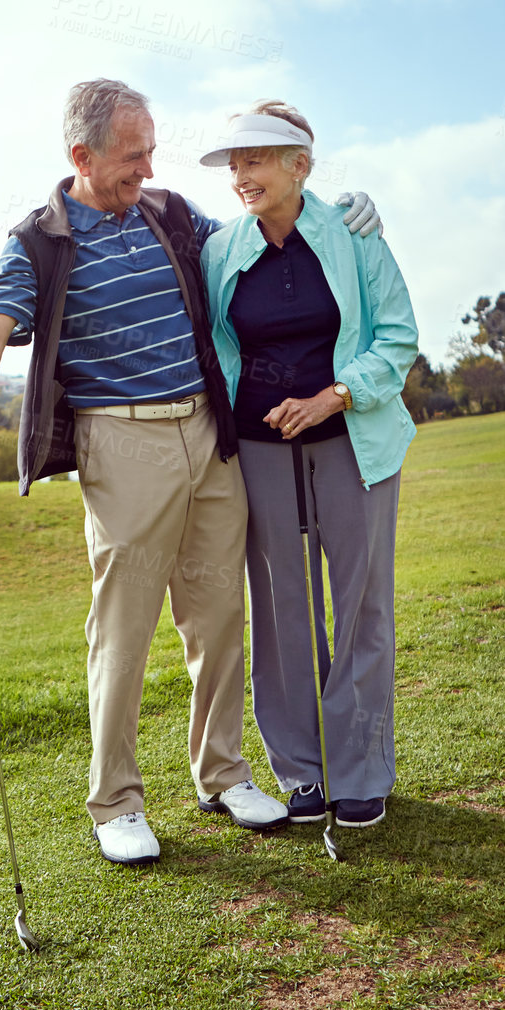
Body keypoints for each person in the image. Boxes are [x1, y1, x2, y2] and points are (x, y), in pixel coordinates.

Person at [0, 79, 383, 866]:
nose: (147, 166)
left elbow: (259, 234)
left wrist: (345, 214)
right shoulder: (39, 242)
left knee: (218, 618)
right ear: (83, 155)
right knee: (124, 629)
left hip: (208, 434)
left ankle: (223, 773)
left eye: (150, 151)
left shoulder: (169, 213)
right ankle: (117, 802)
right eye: (132, 155)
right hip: (121, 441)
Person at [198, 100, 418, 830]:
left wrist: (333, 396)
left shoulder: (355, 235)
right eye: (234, 164)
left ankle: (361, 771)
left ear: (301, 165)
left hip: (353, 444)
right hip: (260, 452)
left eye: (254, 159)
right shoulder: (219, 249)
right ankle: (302, 772)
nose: (240, 175)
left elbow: (397, 338)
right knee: (281, 610)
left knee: (361, 608)